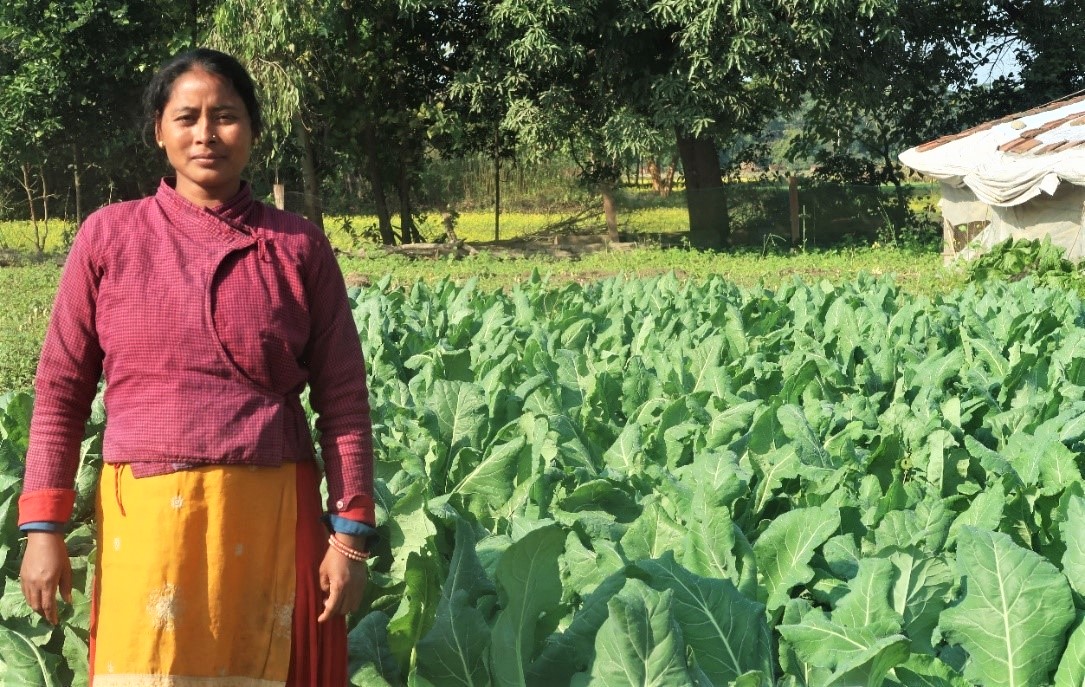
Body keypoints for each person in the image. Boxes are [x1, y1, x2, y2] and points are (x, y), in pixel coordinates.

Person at [17, 48, 375, 686]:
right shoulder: (109, 237)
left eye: (226, 116)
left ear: (254, 133)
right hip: (146, 522)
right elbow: (60, 392)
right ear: (160, 131)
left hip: (271, 516)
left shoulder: (298, 246)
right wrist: (42, 528)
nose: (206, 134)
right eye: (187, 117)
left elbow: (343, 397)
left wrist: (349, 536)